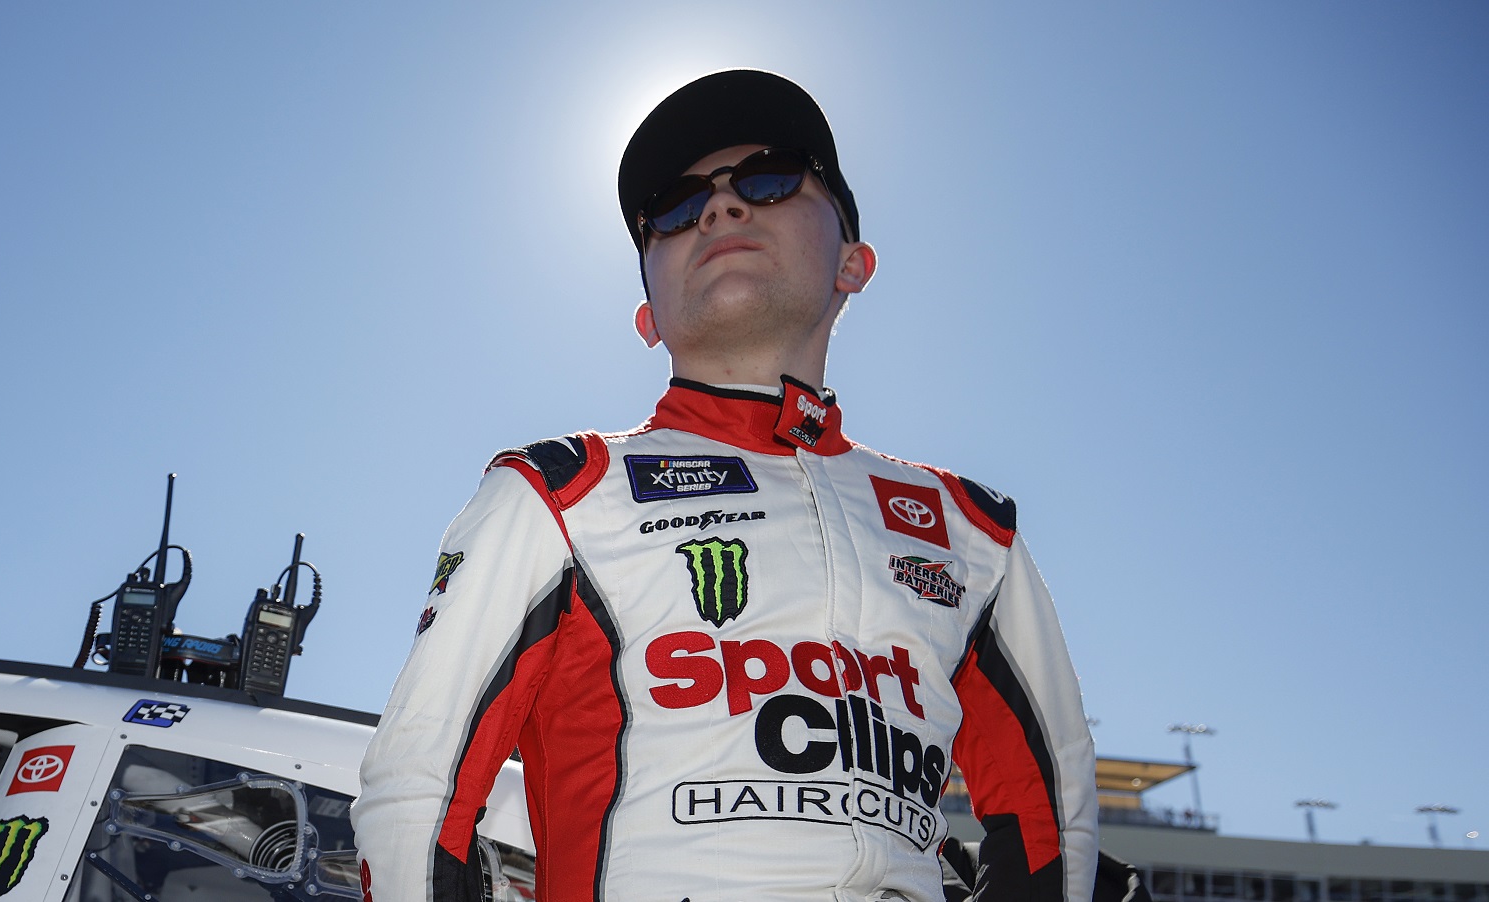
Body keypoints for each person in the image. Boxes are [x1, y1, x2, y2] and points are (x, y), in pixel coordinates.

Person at [352, 69, 1098, 902]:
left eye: (770, 178)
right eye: (674, 209)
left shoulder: (972, 534)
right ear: (648, 318)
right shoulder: (554, 497)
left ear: (855, 263)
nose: (718, 208)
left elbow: (1052, 822)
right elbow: (415, 795)